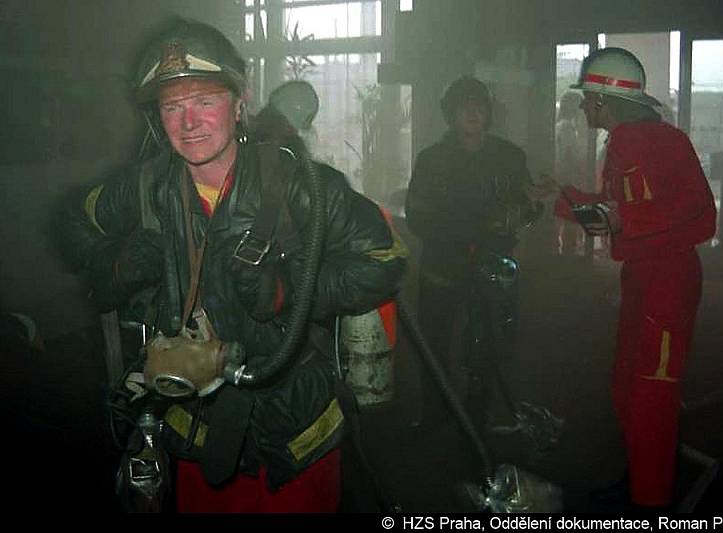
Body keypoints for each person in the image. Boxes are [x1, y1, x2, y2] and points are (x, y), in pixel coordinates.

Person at [60, 19, 406, 513]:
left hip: (295, 436)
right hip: (195, 431)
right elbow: (72, 222)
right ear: (158, 118)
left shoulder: (298, 185)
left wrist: (291, 290)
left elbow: (386, 259)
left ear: (239, 103)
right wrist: (115, 265)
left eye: (205, 101)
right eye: (172, 107)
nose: (189, 122)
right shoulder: (144, 190)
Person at [534, 47, 717, 510]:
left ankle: (649, 503)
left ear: (604, 100)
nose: (581, 107)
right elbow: (616, 212)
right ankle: (640, 476)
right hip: (643, 279)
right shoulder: (625, 141)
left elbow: (700, 215)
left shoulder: (661, 141)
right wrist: (560, 199)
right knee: (625, 384)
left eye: (586, 98)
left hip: (668, 283)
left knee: (650, 400)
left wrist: (624, 218)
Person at [404, 75, 540, 431]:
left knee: (487, 343)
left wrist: (523, 211)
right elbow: (417, 215)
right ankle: (434, 413)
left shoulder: (509, 158)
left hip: (492, 268)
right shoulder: (431, 160)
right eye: (464, 105)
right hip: (442, 266)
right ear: (450, 114)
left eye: (479, 105)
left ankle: (477, 417)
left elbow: (529, 204)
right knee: (433, 344)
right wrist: (466, 228)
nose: (472, 112)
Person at [554, 91, 589, 256]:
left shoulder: (559, 124)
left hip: (561, 179)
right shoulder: (567, 127)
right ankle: (569, 255)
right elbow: (571, 156)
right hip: (567, 180)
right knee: (569, 220)